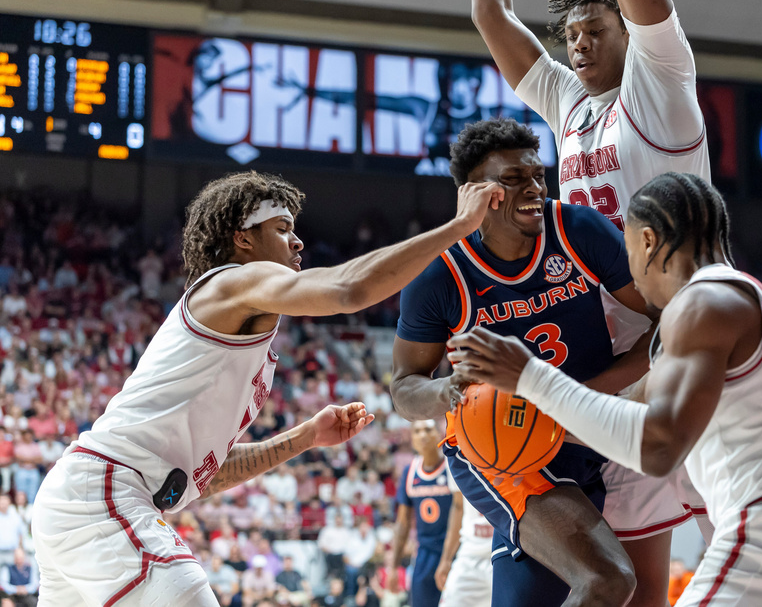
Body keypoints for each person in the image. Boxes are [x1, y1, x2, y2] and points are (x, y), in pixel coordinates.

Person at [31, 170, 503, 607]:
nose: (298, 240)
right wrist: (460, 225)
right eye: (281, 228)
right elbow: (348, 290)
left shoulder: (242, 332)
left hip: (89, 497)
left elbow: (205, 476)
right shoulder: (231, 283)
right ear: (242, 238)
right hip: (104, 495)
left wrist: (305, 438)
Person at [448, 172, 762, 606]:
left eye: (627, 251)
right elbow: (629, 411)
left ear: (647, 242)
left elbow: (658, 446)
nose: (629, 271)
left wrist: (531, 376)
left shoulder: (700, 303)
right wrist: (531, 426)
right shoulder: (738, 301)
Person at [469, 0, 713, 600]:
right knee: (640, 583)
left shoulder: (660, 83)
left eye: (594, 30)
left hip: (691, 337)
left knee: (750, 542)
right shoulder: (567, 102)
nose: (578, 44)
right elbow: (490, 13)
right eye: (570, 35)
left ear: (628, 32)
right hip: (614, 349)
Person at [391, 118, 652, 607]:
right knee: (607, 580)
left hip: (587, 429)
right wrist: (449, 390)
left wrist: (582, 398)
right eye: (512, 181)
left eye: (537, 176)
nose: (533, 189)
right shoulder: (439, 273)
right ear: (474, 195)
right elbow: (404, 386)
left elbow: (662, 317)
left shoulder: (576, 229)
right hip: (499, 447)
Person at [388, 420, 452, 607]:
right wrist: (393, 566)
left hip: (455, 552)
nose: (422, 435)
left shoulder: (452, 467)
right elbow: (402, 524)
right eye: (417, 431)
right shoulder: (409, 472)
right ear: (412, 438)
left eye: (427, 429)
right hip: (425, 554)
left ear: (439, 433)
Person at [436, 477, 493, 607]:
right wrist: (446, 558)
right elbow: (458, 505)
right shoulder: (452, 456)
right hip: (469, 552)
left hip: (507, 551)